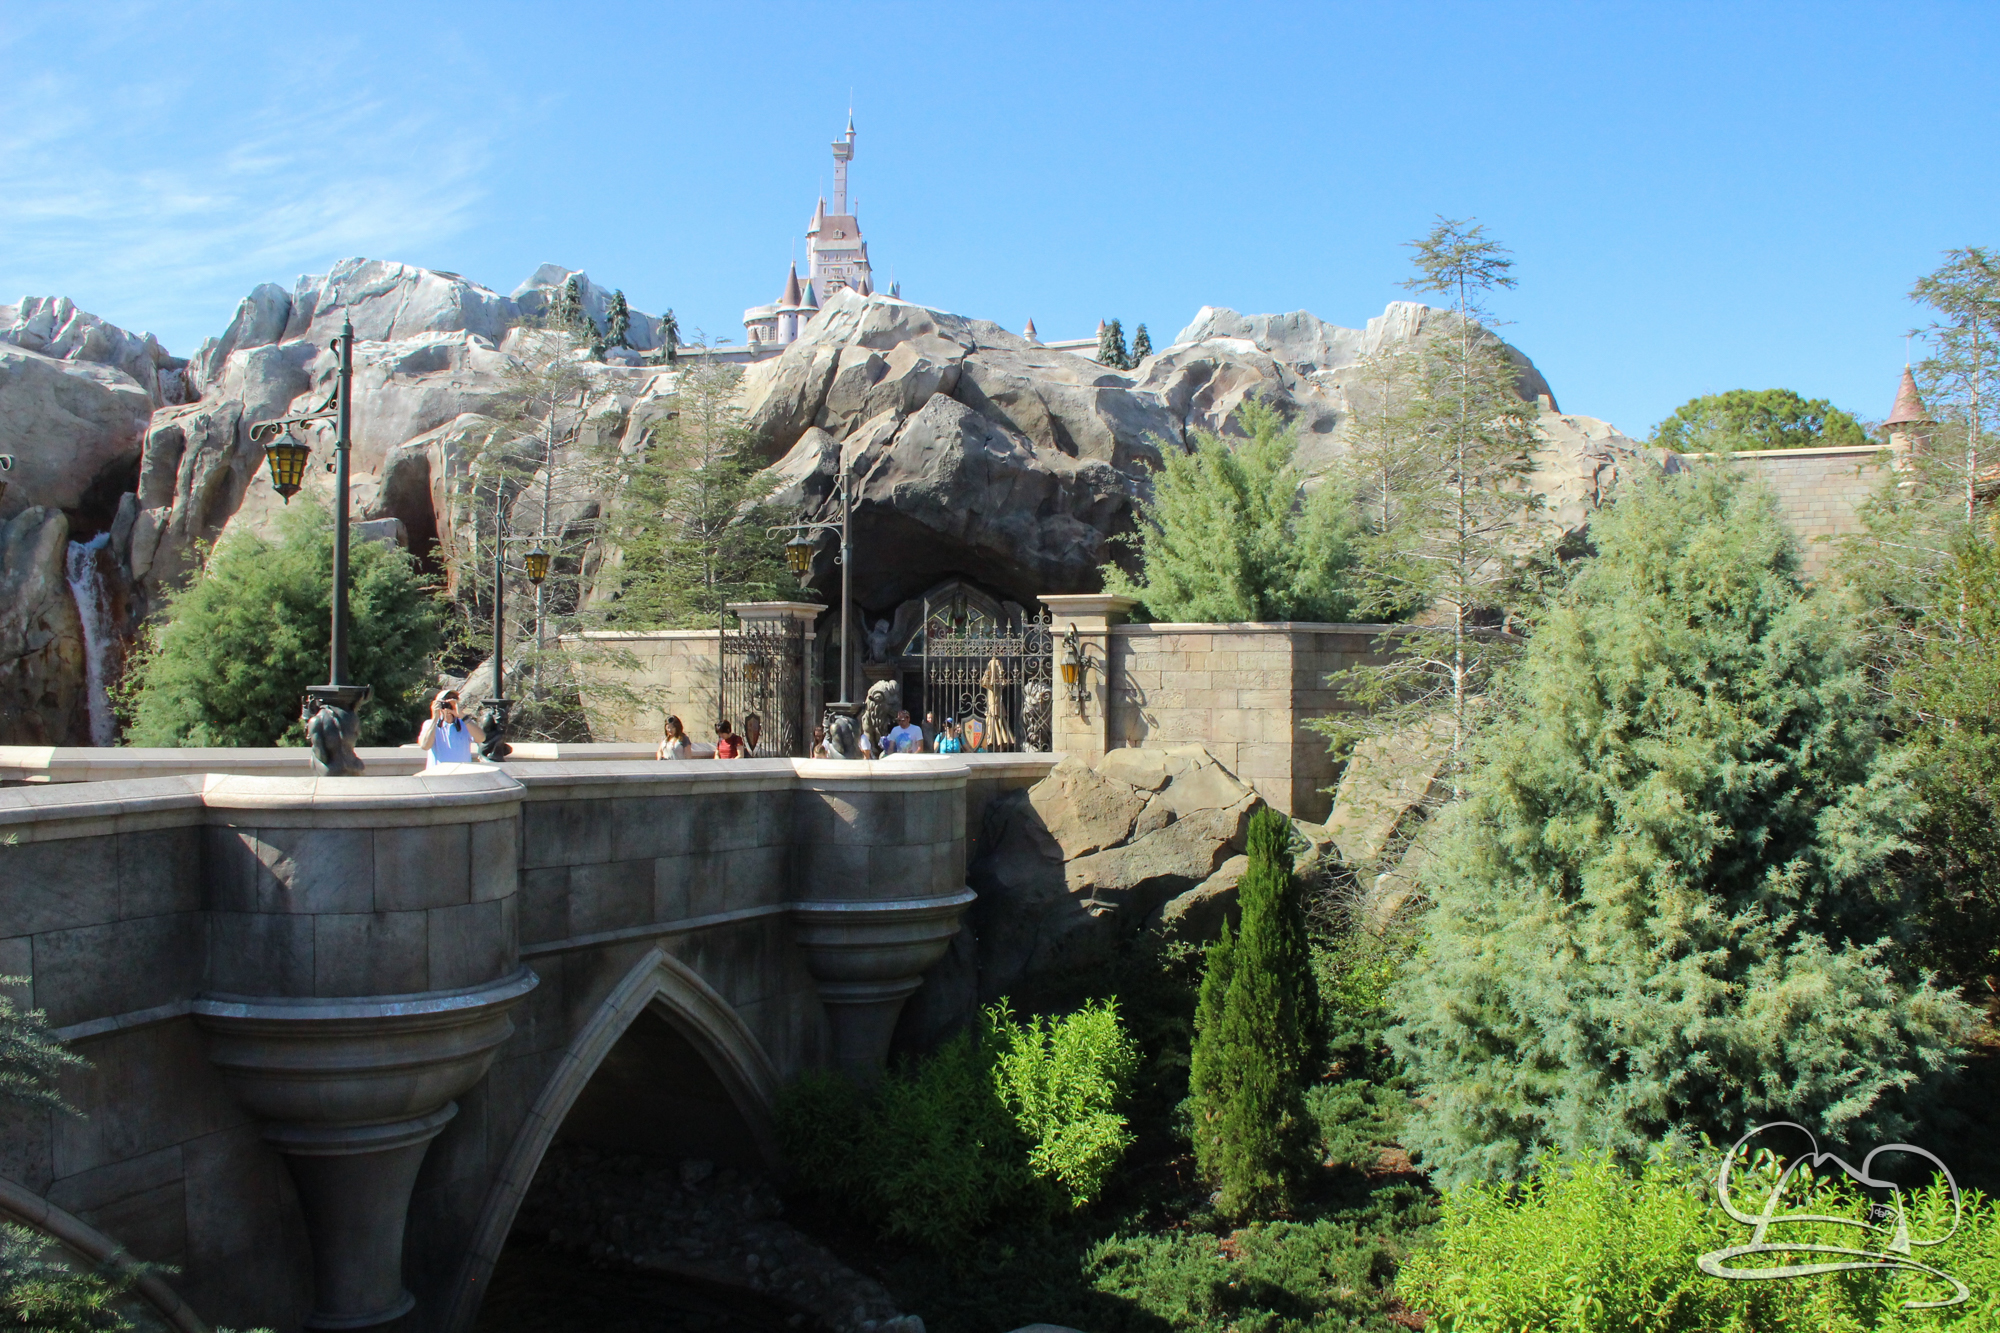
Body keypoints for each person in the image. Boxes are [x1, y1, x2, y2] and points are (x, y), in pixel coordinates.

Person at [418, 689, 484, 769]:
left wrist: (461, 715)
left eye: (454, 699)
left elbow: (481, 738)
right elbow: (425, 746)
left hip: (461, 773)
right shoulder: (430, 724)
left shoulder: (466, 723)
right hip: (438, 774)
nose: (449, 704)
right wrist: (435, 718)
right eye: (446, 701)